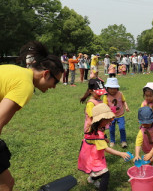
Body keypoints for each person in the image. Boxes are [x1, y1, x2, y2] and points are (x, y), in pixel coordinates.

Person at [0, 41, 64, 191]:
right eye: (56, 82)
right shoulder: (25, 85)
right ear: (46, 74)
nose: (54, 87)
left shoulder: (14, 71)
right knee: (5, 185)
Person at [77, 103, 131, 191]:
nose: (108, 121)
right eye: (106, 120)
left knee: (98, 172)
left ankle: (91, 179)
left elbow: (90, 138)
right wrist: (121, 153)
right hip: (93, 158)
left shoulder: (93, 128)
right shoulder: (98, 134)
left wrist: (104, 139)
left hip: (88, 154)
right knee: (105, 174)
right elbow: (106, 149)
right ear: (100, 120)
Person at [103, 78, 130, 148]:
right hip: (111, 117)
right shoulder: (106, 96)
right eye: (110, 88)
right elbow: (104, 105)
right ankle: (112, 141)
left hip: (120, 115)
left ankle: (123, 141)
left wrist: (126, 107)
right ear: (107, 88)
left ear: (117, 88)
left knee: (122, 128)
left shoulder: (120, 94)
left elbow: (124, 101)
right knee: (111, 129)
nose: (112, 90)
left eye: (114, 88)